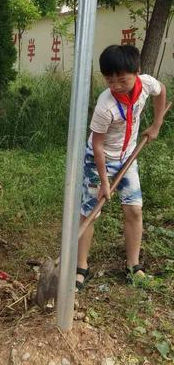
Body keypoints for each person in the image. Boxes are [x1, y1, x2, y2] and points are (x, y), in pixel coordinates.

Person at [76, 44, 166, 291]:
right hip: (99, 161)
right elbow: (97, 146)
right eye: (109, 79)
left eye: (122, 79)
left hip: (128, 158)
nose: (115, 85)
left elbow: (162, 92)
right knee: (90, 212)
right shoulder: (105, 106)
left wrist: (156, 125)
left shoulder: (146, 84)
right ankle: (81, 267)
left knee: (134, 210)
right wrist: (105, 183)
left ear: (136, 71)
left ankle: (133, 266)